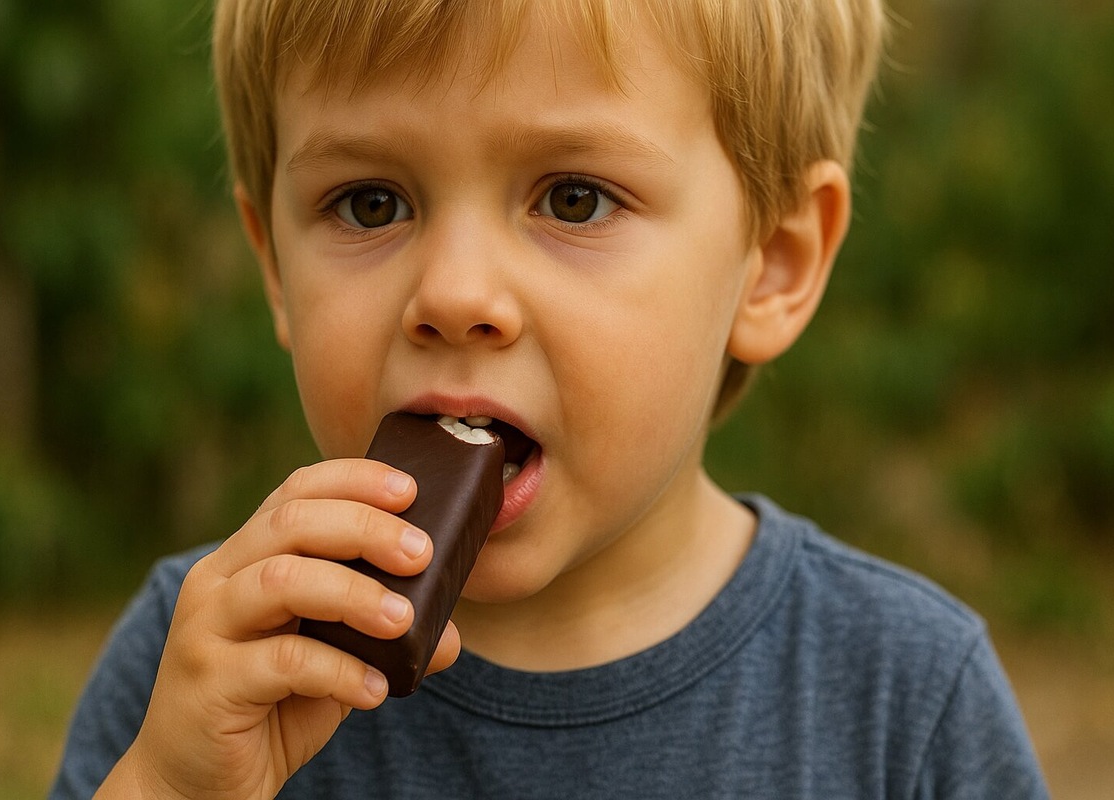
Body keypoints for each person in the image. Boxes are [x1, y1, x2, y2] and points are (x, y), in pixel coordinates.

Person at [51, 0, 1050, 797]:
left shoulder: (902, 698)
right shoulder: (207, 668)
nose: (453, 294)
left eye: (573, 198)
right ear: (272, 264)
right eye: (370, 203)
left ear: (771, 265)